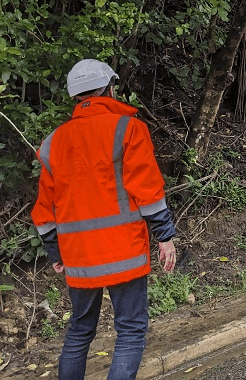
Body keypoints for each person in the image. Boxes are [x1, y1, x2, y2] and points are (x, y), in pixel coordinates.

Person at [31, 59, 177, 380]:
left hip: (79, 257)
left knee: (80, 331)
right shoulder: (128, 129)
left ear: (75, 97)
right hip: (123, 252)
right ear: (110, 89)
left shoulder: (53, 143)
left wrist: (56, 253)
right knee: (130, 329)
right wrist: (164, 237)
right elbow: (148, 190)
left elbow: (44, 210)